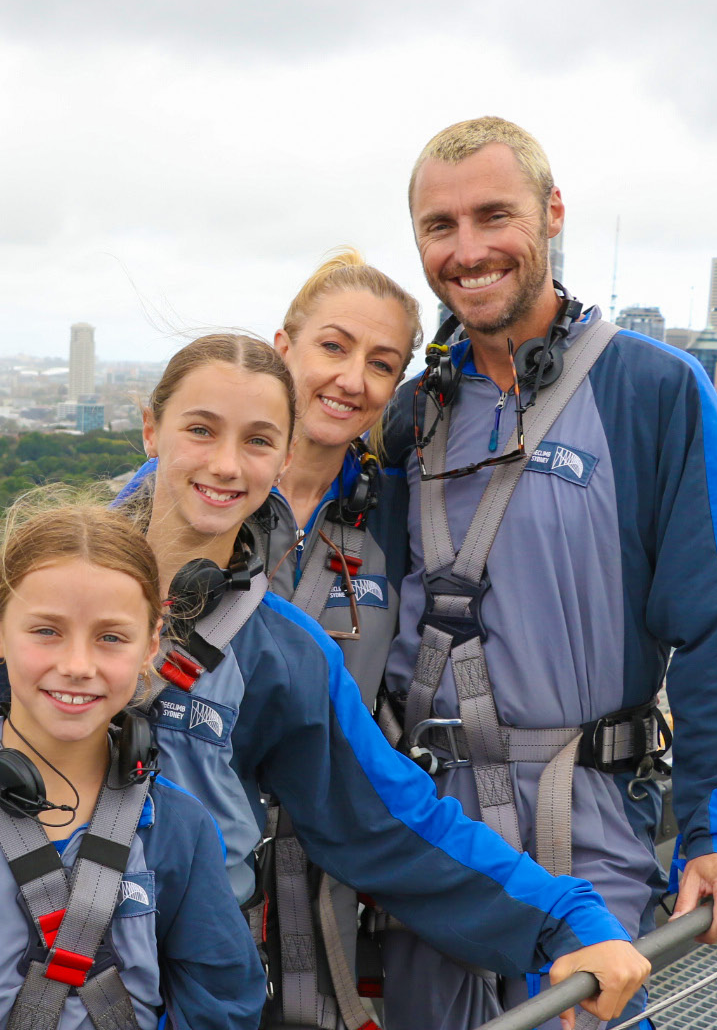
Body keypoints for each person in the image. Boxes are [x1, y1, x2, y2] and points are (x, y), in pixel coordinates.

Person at [376, 116, 717, 1029]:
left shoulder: (649, 390)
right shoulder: (412, 413)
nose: (469, 249)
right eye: (439, 227)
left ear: (552, 213)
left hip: (584, 821)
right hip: (435, 835)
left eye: (496, 215)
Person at [120, 333, 650, 1029]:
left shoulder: (279, 651)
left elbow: (390, 819)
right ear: (151, 430)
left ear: (283, 458)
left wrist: (567, 919)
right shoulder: (32, 593)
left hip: (182, 992)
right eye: (200, 429)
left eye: (256, 441)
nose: (225, 464)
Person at [0, 491, 266, 1029]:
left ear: (151, 643)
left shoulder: (179, 827)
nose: (77, 665)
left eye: (110, 637)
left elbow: (221, 1003)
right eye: (47, 631)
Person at [261, 250, 422, 1026]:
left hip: (330, 876)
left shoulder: (395, 513)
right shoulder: (189, 493)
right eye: (333, 346)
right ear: (283, 344)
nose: (352, 379)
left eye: (381, 363)